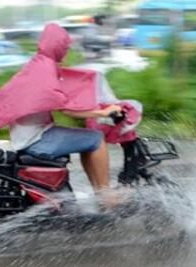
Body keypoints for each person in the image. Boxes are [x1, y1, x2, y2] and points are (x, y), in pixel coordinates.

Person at [7, 24, 121, 199]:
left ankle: (99, 193)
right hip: (36, 140)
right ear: (57, 45)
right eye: (65, 46)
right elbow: (67, 110)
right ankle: (106, 195)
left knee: (87, 140)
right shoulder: (45, 70)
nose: (66, 50)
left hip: (27, 136)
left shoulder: (36, 65)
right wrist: (103, 113)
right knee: (96, 139)